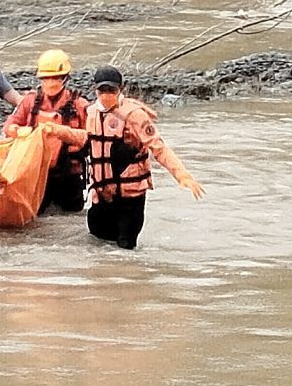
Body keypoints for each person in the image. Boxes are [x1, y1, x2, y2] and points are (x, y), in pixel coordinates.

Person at [81, 64, 202, 249]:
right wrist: (53, 130)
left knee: (125, 246)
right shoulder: (91, 113)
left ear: (120, 89)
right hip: (103, 192)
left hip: (130, 196)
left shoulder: (135, 116)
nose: (106, 95)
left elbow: (159, 148)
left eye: (111, 90)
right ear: (95, 90)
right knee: (98, 238)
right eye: (102, 90)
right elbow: (85, 139)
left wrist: (182, 176)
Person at [6, 47, 91, 214]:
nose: (51, 82)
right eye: (46, 78)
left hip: (69, 175)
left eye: (56, 78)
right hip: (36, 174)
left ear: (65, 78)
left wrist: (59, 131)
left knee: (71, 220)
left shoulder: (80, 105)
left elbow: (90, 137)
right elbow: (9, 126)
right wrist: (18, 131)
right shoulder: (29, 102)